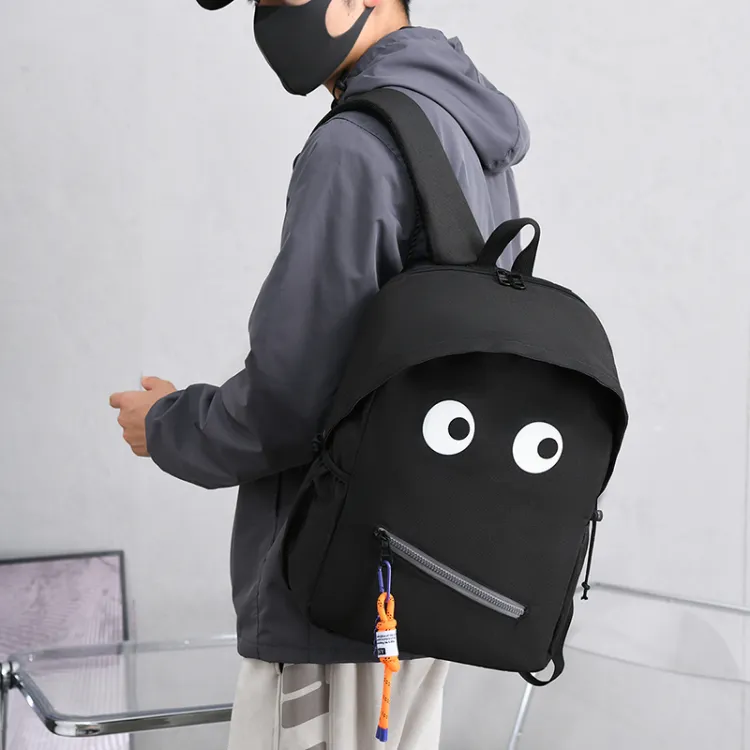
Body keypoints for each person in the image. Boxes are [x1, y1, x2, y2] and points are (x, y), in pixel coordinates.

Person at [109, 0, 530, 747]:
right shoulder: (462, 127)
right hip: (424, 579)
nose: (268, 14)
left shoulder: (357, 145)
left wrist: (167, 425)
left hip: (332, 594)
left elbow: (290, 401)